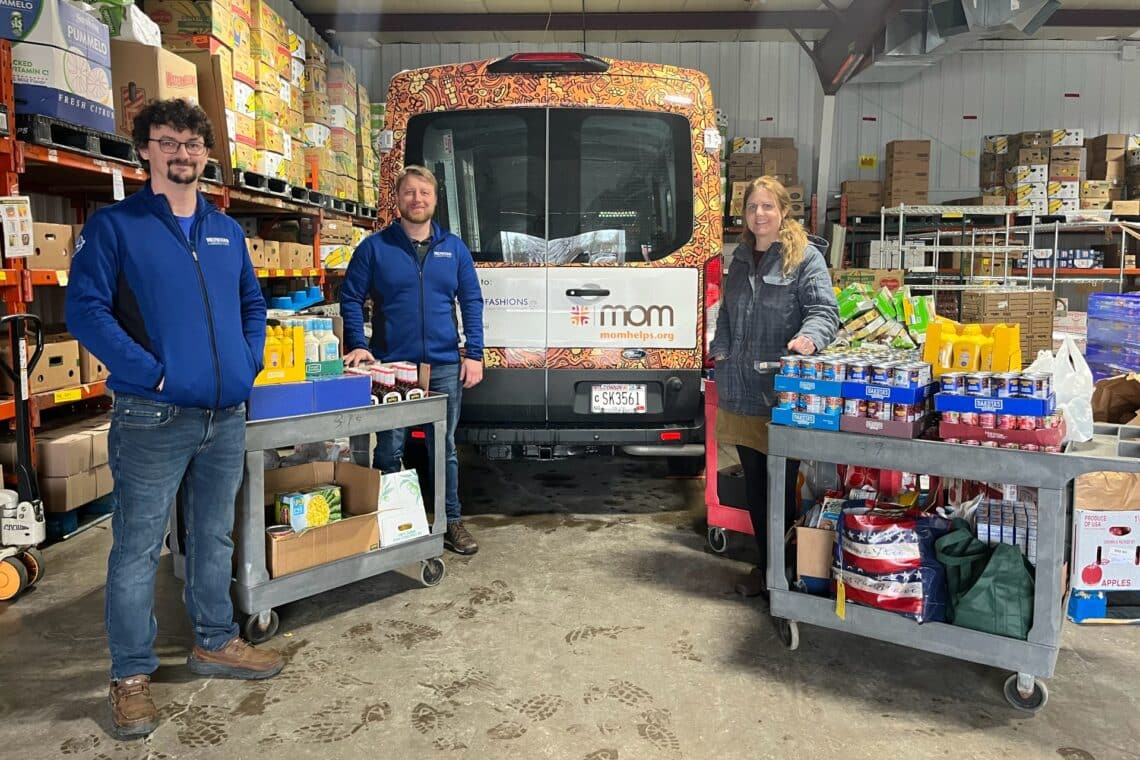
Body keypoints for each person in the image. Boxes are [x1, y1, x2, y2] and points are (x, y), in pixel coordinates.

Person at [66, 98, 283, 740]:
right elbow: (86, 311)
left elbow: (251, 302)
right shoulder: (116, 227)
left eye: (192, 144)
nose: (181, 154)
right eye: (168, 142)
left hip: (225, 412)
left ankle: (214, 639)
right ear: (145, 149)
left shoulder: (224, 230)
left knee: (214, 535)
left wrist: (249, 362)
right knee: (137, 548)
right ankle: (131, 676)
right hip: (152, 414)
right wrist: (152, 371)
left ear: (205, 153)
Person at [340, 165, 485, 555]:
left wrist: (475, 354)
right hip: (393, 368)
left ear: (435, 200)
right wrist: (357, 343)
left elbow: (471, 301)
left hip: (443, 365)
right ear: (397, 199)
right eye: (409, 192)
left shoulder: (453, 249)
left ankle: (449, 520)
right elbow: (351, 297)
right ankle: (387, 522)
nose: (417, 199)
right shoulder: (374, 248)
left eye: (425, 192)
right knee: (388, 448)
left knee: (445, 448)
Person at [708, 176, 840, 599]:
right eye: (752, 207)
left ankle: (782, 576)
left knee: (779, 485)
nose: (759, 214)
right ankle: (767, 569)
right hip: (740, 388)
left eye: (767, 206)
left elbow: (824, 311)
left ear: (784, 211)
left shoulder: (805, 259)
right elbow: (727, 313)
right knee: (754, 485)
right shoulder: (741, 257)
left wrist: (810, 339)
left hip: (781, 392)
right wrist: (721, 349)